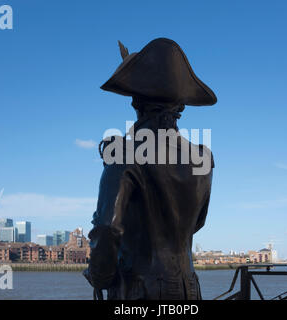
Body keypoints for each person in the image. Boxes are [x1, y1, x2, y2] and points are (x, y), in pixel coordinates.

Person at [84, 38, 217, 300]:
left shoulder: (124, 155)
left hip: (137, 293)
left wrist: (99, 276)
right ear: (180, 106)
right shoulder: (203, 157)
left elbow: (108, 228)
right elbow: (196, 224)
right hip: (188, 290)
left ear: (136, 103)